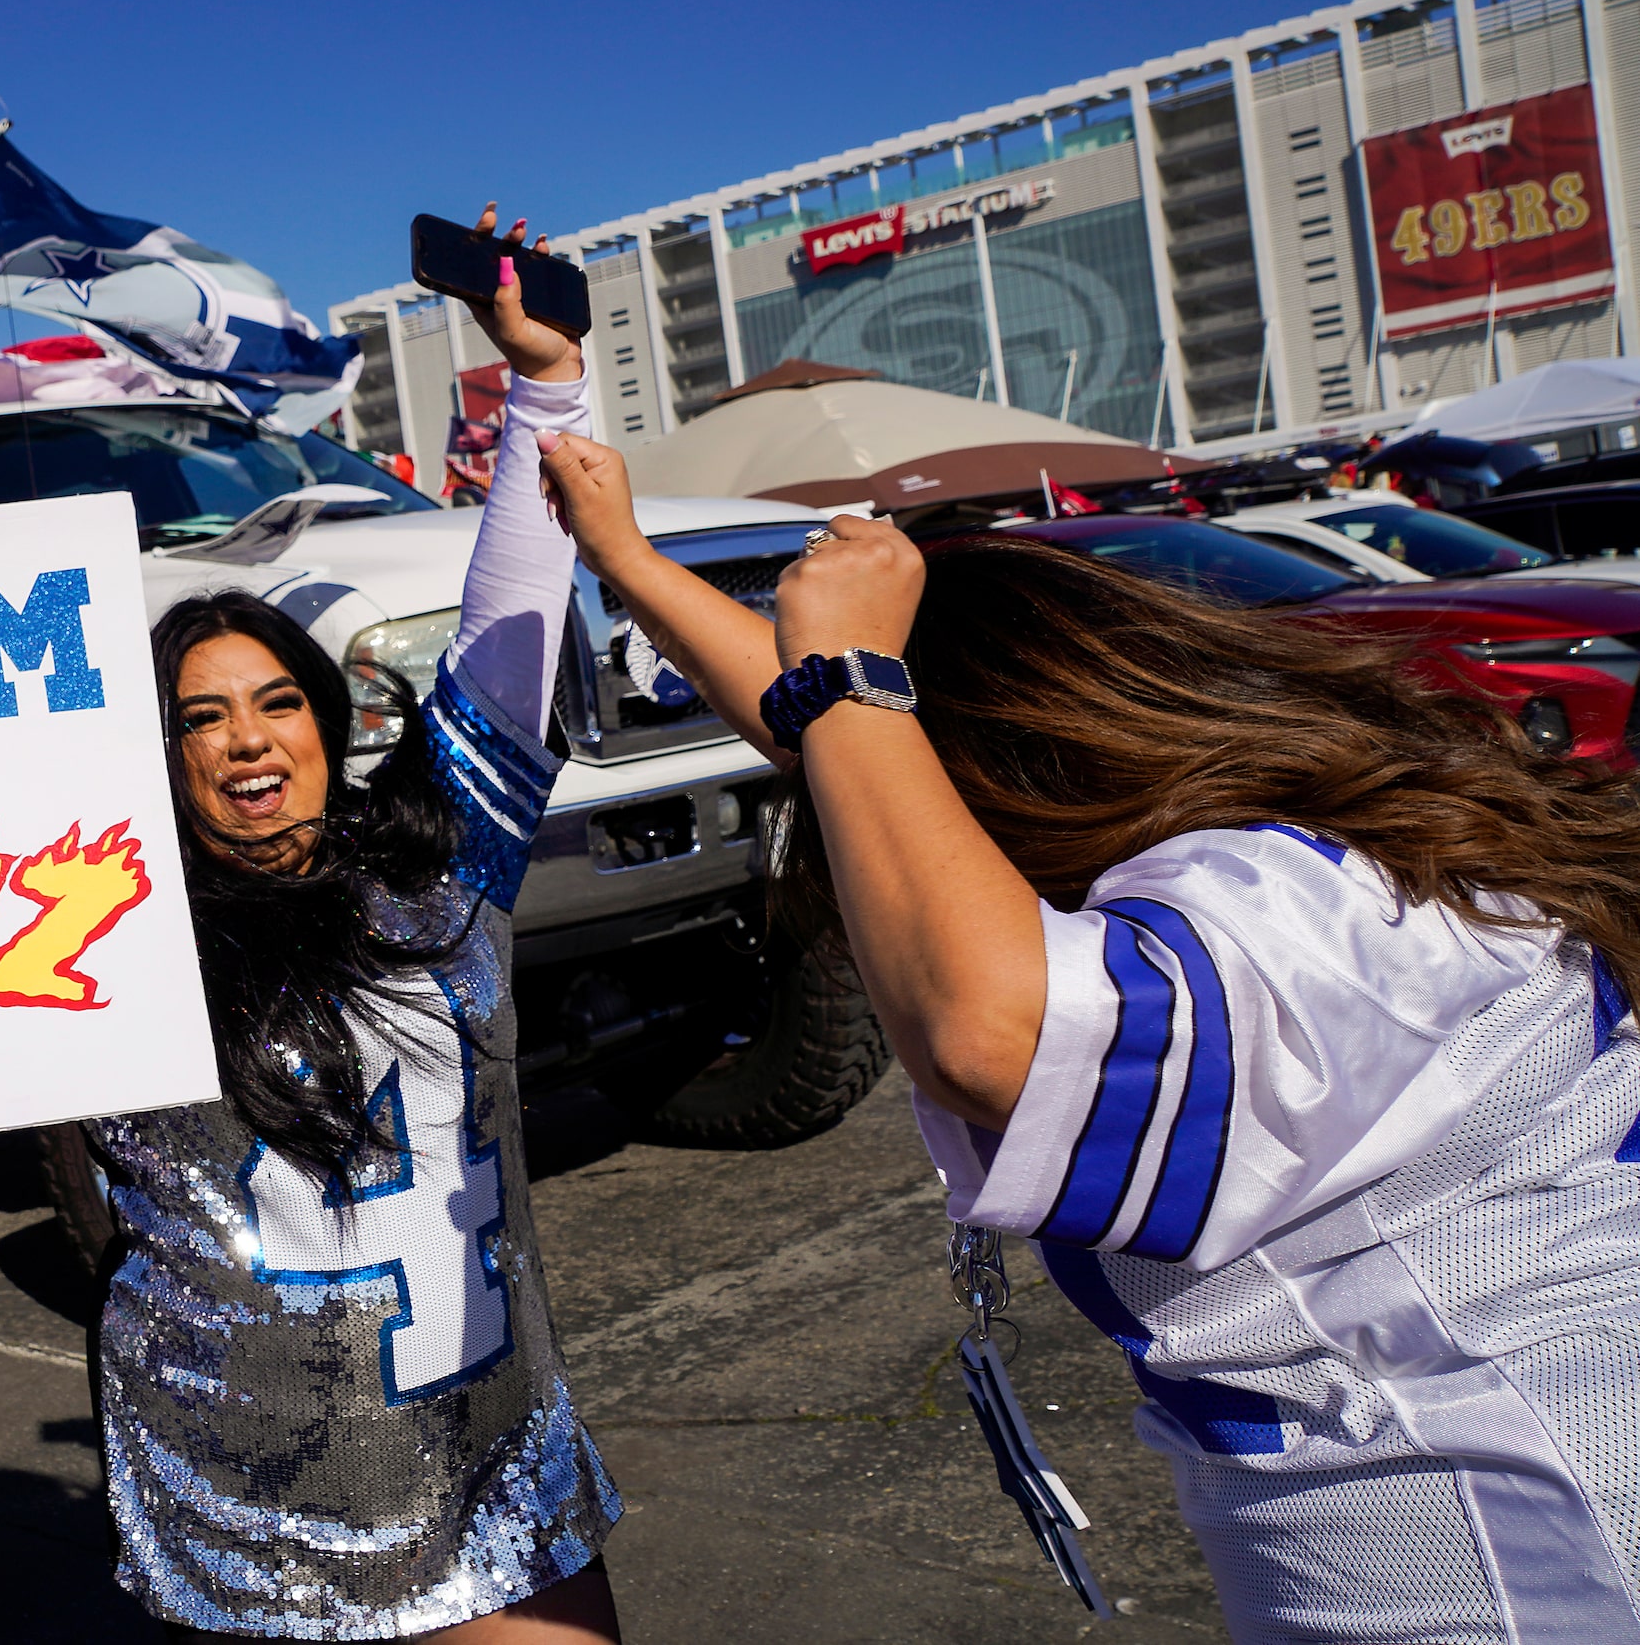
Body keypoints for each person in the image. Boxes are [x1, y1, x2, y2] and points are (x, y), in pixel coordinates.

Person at [532, 436, 1640, 1642]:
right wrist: (628, 557)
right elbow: (856, 769)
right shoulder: (1316, 854)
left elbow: (988, 1031)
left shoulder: (1283, 909)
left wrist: (853, 673)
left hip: (1517, 1560)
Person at [0, 207, 623, 1640]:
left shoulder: (440, 863)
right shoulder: (87, 928)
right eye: (198, 717)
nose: (248, 740)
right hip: (241, 1512)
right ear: (154, 755)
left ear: (329, 724)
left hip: (488, 1464)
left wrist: (544, 383)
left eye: (278, 700)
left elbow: (511, 613)